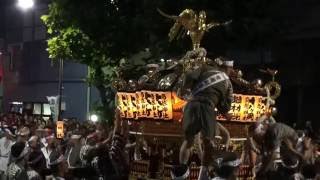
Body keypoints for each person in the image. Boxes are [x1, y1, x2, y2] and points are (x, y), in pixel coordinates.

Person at [173, 50, 233, 180]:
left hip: (191, 105)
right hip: (207, 108)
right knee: (208, 142)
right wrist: (226, 114)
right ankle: (203, 175)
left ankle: (181, 173)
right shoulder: (227, 82)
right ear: (227, 68)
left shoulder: (204, 68)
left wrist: (184, 90)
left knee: (188, 140)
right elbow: (226, 106)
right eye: (230, 69)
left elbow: (189, 76)